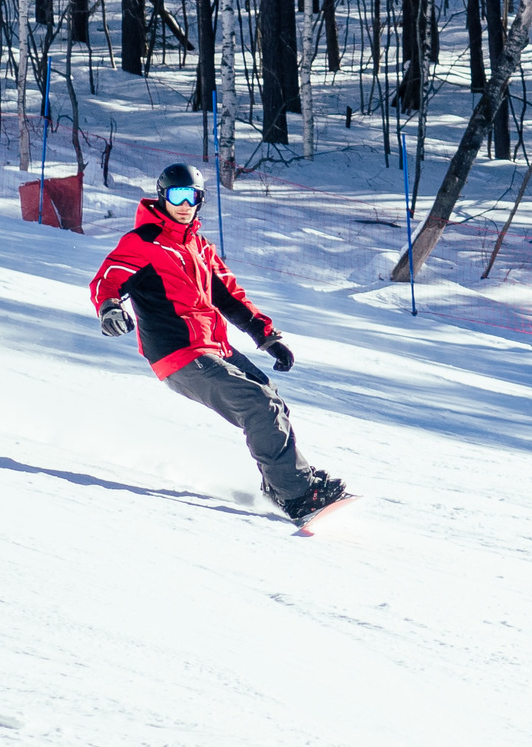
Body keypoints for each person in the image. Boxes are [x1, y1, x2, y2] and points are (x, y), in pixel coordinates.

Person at [91, 163, 349, 523]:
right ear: (162, 197)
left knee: (269, 396)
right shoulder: (143, 242)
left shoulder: (198, 246)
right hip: (178, 353)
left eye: (192, 197)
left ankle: (281, 484)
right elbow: (107, 280)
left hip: (213, 346)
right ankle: (298, 495)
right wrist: (109, 309)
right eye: (177, 196)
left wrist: (266, 336)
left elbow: (230, 296)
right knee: (259, 405)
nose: (185, 205)